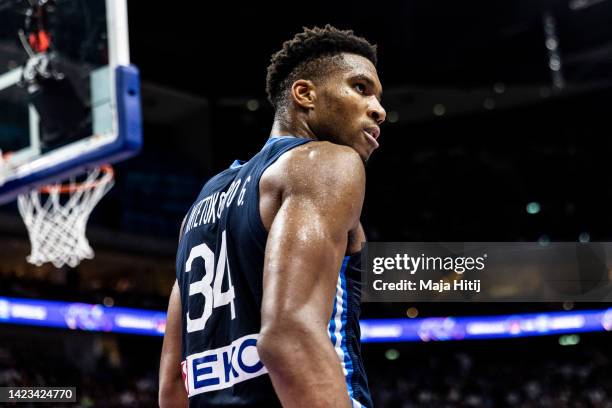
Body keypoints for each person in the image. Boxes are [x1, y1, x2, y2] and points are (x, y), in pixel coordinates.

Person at [159, 24, 385, 408]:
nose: (379, 110)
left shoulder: (201, 204)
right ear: (304, 94)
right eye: (361, 88)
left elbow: (172, 386)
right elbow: (287, 334)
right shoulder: (327, 163)